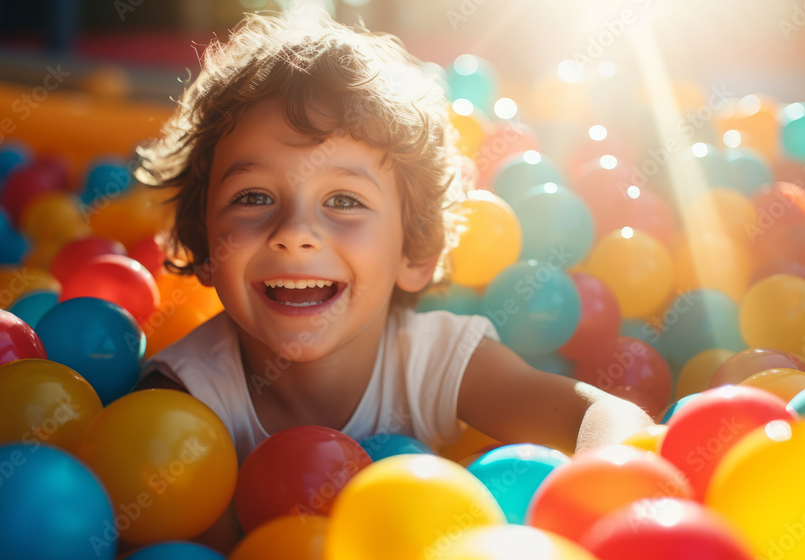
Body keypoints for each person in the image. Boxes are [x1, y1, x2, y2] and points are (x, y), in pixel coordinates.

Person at [134, 10, 652, 468]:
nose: (294, 234)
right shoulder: (184, 395)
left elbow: (604, 414)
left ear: (415, 252)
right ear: (203, 245)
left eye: (343, 201)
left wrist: (606, 484)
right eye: (252, 197)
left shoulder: (434, 360)